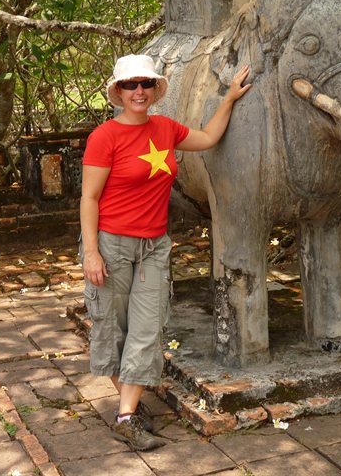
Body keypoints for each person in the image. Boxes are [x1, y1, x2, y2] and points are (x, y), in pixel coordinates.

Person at [80, 54, 250, 450]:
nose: (138, 91)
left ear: (155, 89)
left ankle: (125, 415)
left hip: (154, 247)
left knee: (147, 329)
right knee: (111, 329)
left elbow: (208, 138)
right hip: (112, 245)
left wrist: (228, 99)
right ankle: (129, 407)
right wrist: (91, 253)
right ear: (118, 92)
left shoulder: (166, 129)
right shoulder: (104, 137)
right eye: (130, 85)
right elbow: (88, 198)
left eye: (145, 84)